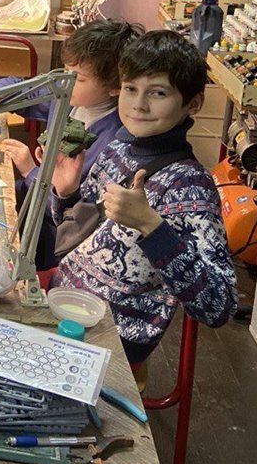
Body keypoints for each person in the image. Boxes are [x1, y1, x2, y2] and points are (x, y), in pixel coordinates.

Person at [49, 30, 238, 365]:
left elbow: (218, 306)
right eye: (131, 89)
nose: (139, 104)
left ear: (193, 103)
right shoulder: (117, 149)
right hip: (66, 302)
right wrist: (66, 194)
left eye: (158, 92)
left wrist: (152, 226)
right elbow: (73, 239)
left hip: (111, 336)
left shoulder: (189, 186)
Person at [0, 19, 145, 269]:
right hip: (28, 201)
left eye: (79, 77)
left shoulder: (112, 143)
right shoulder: (68, 97)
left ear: (115, 88)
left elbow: (73, 215)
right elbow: (23, 90)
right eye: (66, 70)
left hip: (50, 241)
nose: (67, 80)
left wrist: (30, 171)